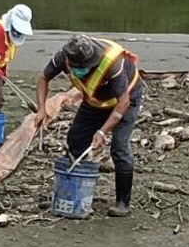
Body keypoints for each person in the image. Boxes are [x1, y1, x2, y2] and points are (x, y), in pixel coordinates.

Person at [34, 34, 143, 217]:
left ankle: (123, 202)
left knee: (119, 147)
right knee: (75, 139)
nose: (79, 71)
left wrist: (102, 131)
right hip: (94, 100)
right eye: (76, 67)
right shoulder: (63, 57)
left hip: (125, 99)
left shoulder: (112, 64)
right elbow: (43, 78)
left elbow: (122, 103)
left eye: (83, 68)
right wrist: (41, 110)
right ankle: (72, 192)